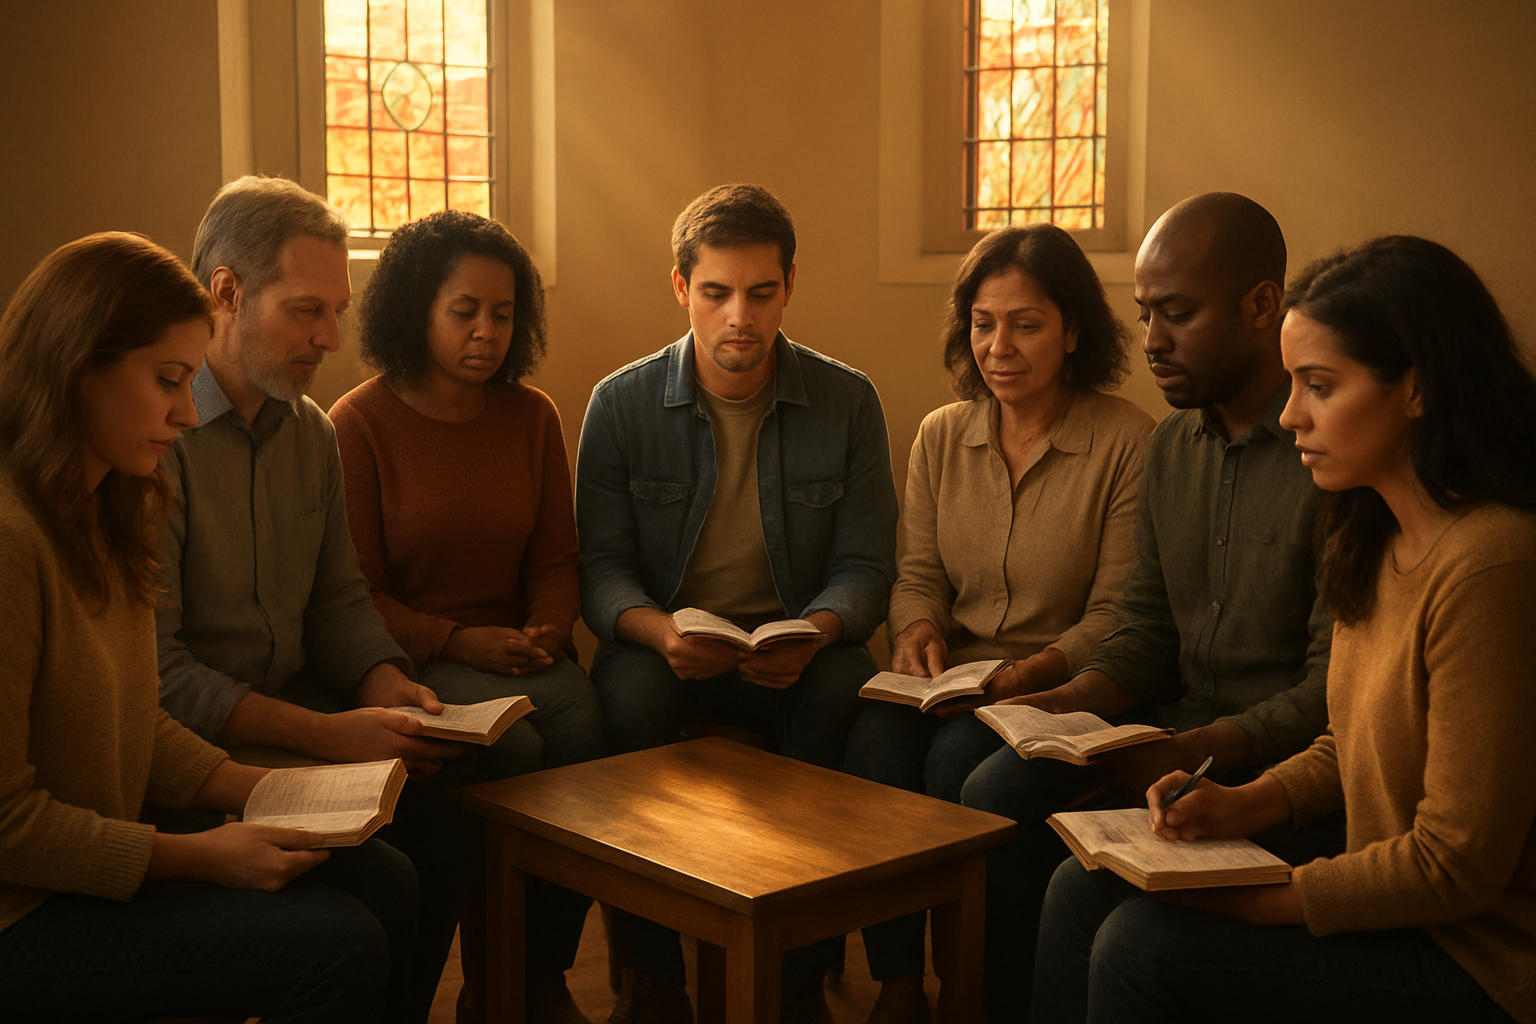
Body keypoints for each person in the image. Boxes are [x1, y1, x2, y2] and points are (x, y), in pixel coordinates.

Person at [1032, 234, 1536, 1024]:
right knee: (1081, 886)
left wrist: (1262, 900)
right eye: (1293, 382)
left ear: (1418, 388)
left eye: (1320, 385)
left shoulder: (1490, 564)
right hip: (1394, 902)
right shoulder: (1369, 529)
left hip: (1476, 955)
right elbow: (1357, 740)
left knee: (1144, 945)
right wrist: (1247, 804)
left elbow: (1455, 867)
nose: (1292, 413)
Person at [0, 231, 417, 1022]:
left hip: (95, 866)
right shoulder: (13, 541)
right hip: (24, 914)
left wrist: (275, 791)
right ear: (78, 366)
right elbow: (7, 824)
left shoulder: (108, 510)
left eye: (190, 382)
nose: (188, 413)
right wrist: (196, 856)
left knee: (384, 877)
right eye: (166, 381)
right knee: (338, 945)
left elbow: (136, 724)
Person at [152, 176, 521, 1022]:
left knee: (447, 802)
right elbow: (161, 675)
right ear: (226, 293)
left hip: (301, 709)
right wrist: (327, 733)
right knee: (378, 885)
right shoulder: (160, 437)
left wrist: (388, 687)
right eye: (306, 311)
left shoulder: (309, 431)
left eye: (337, 311)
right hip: (197, 744)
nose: (330, 338)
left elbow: (339, 602)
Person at [957, 193, 1334, 1020]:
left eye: (1178, 314)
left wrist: (1193, 745)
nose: (1153, 341)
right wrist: (1055, 704)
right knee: (991, 788)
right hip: (1164, 736)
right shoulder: (1174, 446)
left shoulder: (1327, 456)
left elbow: (1330, 690)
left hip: (1273, 768)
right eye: (1144, 313)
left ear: (1261, 305)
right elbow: (1145, 631)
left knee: (1075, 885)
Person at [575, 183, 899, 1022]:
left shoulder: (847, 399)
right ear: (681, 287)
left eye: (761, 293)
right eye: (716, 293)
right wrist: (660, 633)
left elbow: (866, 565)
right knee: (627, 702)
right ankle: (654, 978)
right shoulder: (620, 403)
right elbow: (602, 571)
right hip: (668, 643)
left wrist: (819, 631)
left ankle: (799, 977)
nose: (739, 319)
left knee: (846, 696)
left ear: (790, 284)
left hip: (795, 640)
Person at [841, 224, 1153, 1022]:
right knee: (871, 746)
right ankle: (900, 980)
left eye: (1027, 323)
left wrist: (1028, 676)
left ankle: (972, 991)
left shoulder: (1125, 440)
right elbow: (917, 576)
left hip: (1061, 687)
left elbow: (1118, 611)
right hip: (952, 676)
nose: (999, 345)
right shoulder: (942, 434)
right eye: (983, 322)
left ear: (1074, 331)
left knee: (954, 766)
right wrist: (914, 631)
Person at [330, 209, 605, 1020]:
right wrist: (457, 640)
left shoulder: (533, 417)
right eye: (465, 311)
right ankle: (489, 978)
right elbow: (359, 593)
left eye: (503, 313)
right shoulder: (358, 423)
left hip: (520, 650)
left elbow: (557, 560)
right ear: (418, 308)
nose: (486, 332)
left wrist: (549, 628)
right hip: (417, 657)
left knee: (590, 733)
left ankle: (531, 977)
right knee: (513, 749)